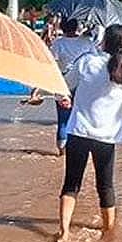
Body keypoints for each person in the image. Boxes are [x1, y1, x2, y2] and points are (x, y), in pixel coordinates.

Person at [56, 24, 122, 242]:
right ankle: (108, 233)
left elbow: (65, 85)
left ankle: (64, 232)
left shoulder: (87, 62)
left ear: (104, 42)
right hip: (105, 139)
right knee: (105, 186)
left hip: (78, 132)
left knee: (71, 184)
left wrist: (61, 98)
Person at [48, 18, 96, 154]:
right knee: (83, 117)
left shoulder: (58, 43)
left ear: (62, 27)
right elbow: (96, 60)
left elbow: (51, 64)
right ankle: (82, 150)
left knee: (63, 119)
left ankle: (61, 152)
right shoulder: (87, 42)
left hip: (63, 84)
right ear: (77, 26)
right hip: (83, 84)